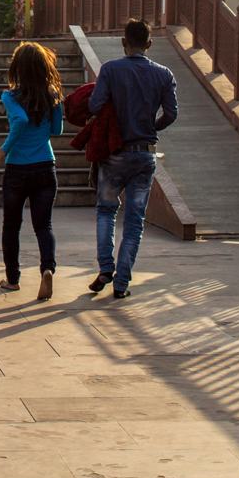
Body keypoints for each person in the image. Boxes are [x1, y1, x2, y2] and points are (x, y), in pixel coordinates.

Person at [87, 17, 178, 299]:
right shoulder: (164, 74)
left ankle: (106, 267)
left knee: (106, 210)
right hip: (144, 154)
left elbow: (94, 105)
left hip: (115, 154)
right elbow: (171, 113)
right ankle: (122, 283)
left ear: (123, 41)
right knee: (135, 220)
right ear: (149, 44)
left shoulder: (110, 69)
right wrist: (151, 127)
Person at [0, 41, 63, 302]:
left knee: (11, 226)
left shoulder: (10, 96)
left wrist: (4, 148)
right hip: (45, 166)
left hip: (17, 169)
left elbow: (21, 120)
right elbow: (56, 130)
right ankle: (47, 269)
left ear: (18, 67)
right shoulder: (52, 95)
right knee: (44, 225)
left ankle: (12, 279)